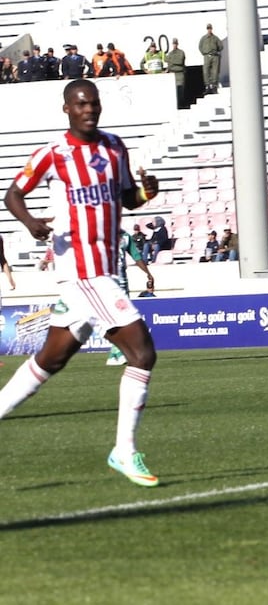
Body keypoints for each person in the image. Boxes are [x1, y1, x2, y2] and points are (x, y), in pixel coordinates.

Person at [0, 79, 162, 487]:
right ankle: (124, 451)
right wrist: (31, 222)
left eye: (94, 103)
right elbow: (13, 194)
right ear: (67, 110)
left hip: (104, 266)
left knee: (50, 360)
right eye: (81, 104)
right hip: (82, 268)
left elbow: (126, 198)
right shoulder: (53, 154)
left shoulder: (114, 147)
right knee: (141, 354)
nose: (89, 110)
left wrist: (145, 194)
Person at [108, 228, 155, 366]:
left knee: (123, 316)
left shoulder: (126, 237)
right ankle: (118, 352)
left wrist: (148, 273)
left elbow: (136, 255)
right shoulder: (102, 234)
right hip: (107, 281)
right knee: (116, 316)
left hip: (122, 282)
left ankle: (117, 353)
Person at [199, 24, 223, 93]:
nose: (209, 30)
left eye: (210, 28)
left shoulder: (215, 38)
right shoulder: (203, 38)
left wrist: (216, 51)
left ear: (212, 29)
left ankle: (214, 86)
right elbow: (200, 46)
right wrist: (204, 53)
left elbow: (221, 46)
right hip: (207, 56)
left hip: (215, 56)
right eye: (208, 28)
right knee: (206, 71)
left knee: (215, 71)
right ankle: (207, 86)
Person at [164, 38, 187, 109]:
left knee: (180, 91)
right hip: (172, 74)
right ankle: (177, 105)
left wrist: (171, 61)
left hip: (179, 73)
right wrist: (171, 63)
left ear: (177, 44)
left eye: (175, 43)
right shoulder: (170, 53)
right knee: (175, 91)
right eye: (173, 43)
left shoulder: (181, 52)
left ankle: (181, 104)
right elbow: (166, 61)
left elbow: (179, 61)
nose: (174, 45)